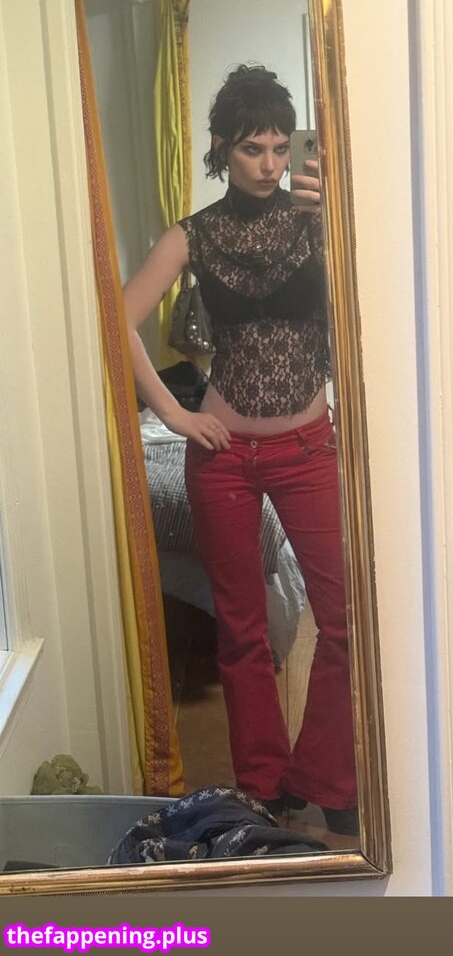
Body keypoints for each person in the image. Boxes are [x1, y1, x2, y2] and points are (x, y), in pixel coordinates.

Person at [123, 64, 357, 835]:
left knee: (345, 617)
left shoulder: (318, 220)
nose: (270, 163)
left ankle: (327, 776)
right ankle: (264, 782)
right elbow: (118, 317)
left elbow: (368, 292)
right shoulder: (191, 233)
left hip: (308, 448)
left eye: (280, 147)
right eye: (253, 148)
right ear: (223, 147)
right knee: (241, 631)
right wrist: (173, 413)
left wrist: (337, 214)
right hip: (221, 458)